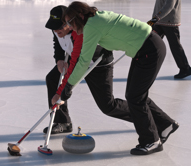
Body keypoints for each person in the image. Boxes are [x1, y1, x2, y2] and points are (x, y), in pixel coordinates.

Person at [60, 1, 179, 155]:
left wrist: (69, 85)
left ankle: (151, 140)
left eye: (70, 22)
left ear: (80, 16)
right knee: (135, 95)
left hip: (149, 50)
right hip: (144, 49)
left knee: (135, 97)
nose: (69, 26)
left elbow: (83, 61)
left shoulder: (91, 26)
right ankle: (166, 124)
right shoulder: (97, 17)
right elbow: (114, 31)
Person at [44, 5, 131, 134]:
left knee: (107, 105)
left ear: (70, 22)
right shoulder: (57, 28)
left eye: (60, 27)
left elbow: (76, 65)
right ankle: (62, 121)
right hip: (75, 58)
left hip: (96, 64)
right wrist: (59, 59)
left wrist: (60, 93)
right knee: (52, 79)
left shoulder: (80, 33)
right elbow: (57, 42)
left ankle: (143, 116)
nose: (56, 30)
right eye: (53, 27)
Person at [147, 0, 191, 79]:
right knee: (151, 44)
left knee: (175, 46)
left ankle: (185, 69)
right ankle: (147, 68)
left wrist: (155, 19)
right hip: (159, 22)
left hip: (169, 22)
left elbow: (169, 6)